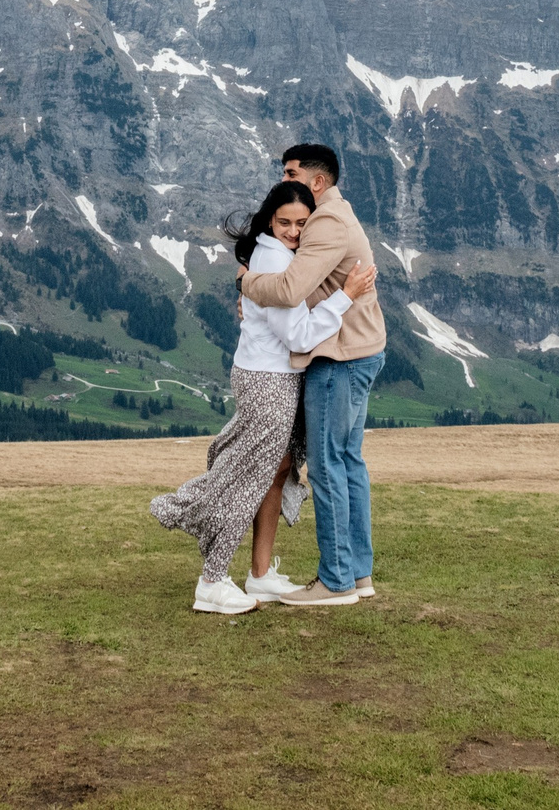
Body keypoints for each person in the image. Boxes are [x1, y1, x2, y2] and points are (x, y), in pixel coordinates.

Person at [148, 180, 379, 614]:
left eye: (302, 223)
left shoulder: (281, 256)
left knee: (277, 470)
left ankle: (258, 575)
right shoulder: (273, 258)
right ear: (269, 221)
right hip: (267, 381)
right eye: (284, 222)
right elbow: (300, 334)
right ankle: (212, 580)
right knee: (250, 477)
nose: (294, 231)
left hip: (274, 377)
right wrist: (346, 297)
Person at [239, 142, 385, 607]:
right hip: (360, 351)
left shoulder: (324, 221)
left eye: (291, 173)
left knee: (326, 466)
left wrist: (244, 283)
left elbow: (287, 289)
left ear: (315, 182)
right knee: (348, 462)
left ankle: (336, 580)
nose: (285, 181)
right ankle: (357, 574)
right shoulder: (338, 214)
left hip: (339, 357)